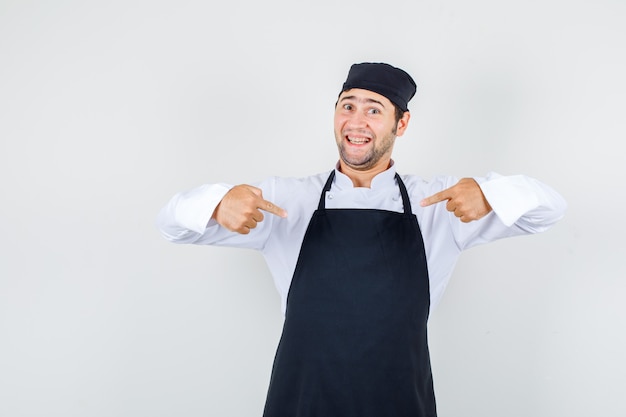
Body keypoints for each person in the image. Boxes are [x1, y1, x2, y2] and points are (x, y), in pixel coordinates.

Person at [157, 62, 567, 417]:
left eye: (374, 110)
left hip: (399, 402)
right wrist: (218, 202)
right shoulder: (287, 201)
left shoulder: (438, 203)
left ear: (400, 123)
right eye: (348, 106)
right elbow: (171, 224)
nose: (356, 122)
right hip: (303, 402)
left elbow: (548, 211)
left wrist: (489, 192)